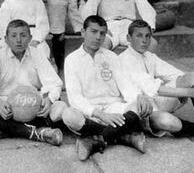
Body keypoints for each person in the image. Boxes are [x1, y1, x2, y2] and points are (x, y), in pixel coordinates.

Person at [62, 15, 153, 161]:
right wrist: (100, 115)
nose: (98, 37)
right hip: (90, 113)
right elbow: (75, 98)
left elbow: (126, 85)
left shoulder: (111, 57)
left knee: (139, 104)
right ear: (82, 32)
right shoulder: (71, 60)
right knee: (68, 114)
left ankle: (96, 140)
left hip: (114, 109)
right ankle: (124, 136)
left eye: (102, 33)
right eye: (93, 31)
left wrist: (139, 96)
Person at [119, 19, 194, 145]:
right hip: (143, 110)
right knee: (168, 122)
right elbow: (153, 88)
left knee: (192, 76)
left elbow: (177, 74)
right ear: (129, 38)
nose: (144, 40)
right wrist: (192, 92)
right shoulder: (124, 59)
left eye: (147, 36)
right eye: (139, 36)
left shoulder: (149, 56)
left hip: (158, 100)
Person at [0, 19, 66, 145]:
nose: (18, 40)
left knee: (60, 108)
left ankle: (3, 131)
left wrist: (49, 99)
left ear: (30, 38)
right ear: (6, 39)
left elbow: (55, 83)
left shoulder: (37, 54)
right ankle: (38, 133)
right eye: (14, 36)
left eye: (23, 35)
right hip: (7, 108)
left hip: (34, 105)